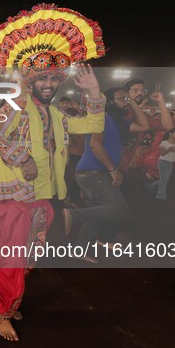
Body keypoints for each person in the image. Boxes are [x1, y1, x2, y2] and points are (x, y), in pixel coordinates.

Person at [0, 3, 106, 341]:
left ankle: (9, 299)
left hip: (43, 196)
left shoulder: (57, 114)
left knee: (28, 256)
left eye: (54, 78)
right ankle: (1, 311)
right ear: (28, 79)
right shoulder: (17, 105)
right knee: (9, 257)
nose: (49, 83)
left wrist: (94, 92)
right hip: (12, 197)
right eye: (42, 78)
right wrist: (23, 159)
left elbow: (92, 124)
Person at [63, 87, 150, 261]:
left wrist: (132, 102)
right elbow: (95, 145)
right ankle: (74, 215)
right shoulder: (103, 118)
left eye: (127, 98)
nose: (126, 101)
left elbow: (144, 125)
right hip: (94, 171)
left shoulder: (119, 122)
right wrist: (113, 170)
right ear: (110, 101)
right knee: (120, 210)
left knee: (97, 213)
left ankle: (79, 250)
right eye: (122, 98)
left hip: (94, 172)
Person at [146, 128, 175, 200]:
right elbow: (162, 153)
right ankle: (160, 195)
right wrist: (169, 149)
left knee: (166, 179)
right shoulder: (164, 142)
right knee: (163, 179)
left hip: (171, 162)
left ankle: (151, 186)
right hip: (162, 162)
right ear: (170, 134)